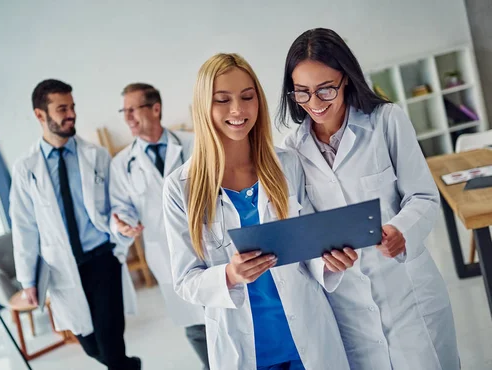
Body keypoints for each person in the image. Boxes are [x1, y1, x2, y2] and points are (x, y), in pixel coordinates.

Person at [277, 28, 460, 369]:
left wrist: (401, 231)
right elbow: (301, 228)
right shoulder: (291, 151)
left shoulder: (386, 121)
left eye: (325, 90)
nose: (315, 104)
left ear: (346, 78)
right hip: (350, 305)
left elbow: (423, 195)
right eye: (302, 93)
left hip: (408, 293)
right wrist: (323, 263)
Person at [163, 53, 356, 370]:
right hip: (245, 349)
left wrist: (330, 260)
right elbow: (185, 280)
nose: (238, 110)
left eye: (247, 97)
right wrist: (230, 274)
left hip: (306, 337)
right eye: (222, 100)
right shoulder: (181, 186)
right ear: (203, 107)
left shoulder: (287, 164)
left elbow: (307, 244)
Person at [10, 79, 141, 370]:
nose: (71, 114)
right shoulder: (26, 168)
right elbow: (24, 226)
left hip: (102, 260)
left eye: (72, 107)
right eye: (62, 109)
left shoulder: (96, 156)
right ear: (40, 115)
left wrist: (121, 222)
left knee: (111, 344)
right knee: (90, 344)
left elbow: (117, 203)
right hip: (62, 268)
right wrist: (28, 280)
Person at [109, 82, 210, 369]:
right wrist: (124, 225)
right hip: (165, 252)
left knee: (225, 310)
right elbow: (121, 208)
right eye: (124, 111)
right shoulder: (122, 164)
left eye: (133, 109)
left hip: (207, 241)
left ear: (156, 109)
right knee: (193, 323)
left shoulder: (195, 143)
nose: (128, 117)